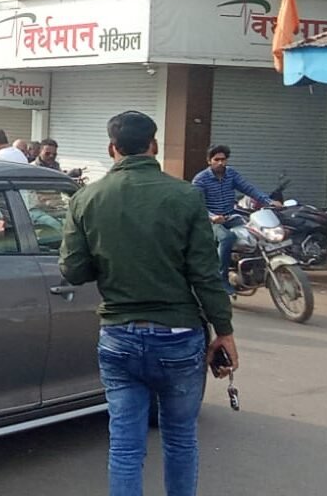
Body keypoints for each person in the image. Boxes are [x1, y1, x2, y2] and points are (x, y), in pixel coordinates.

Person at [60, 111, 236, 496]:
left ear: (112, 148)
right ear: (153, 145)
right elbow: (206, 275)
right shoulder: (187, 196)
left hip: (119, 337)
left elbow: (73, 270)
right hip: (179, 338)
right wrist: (224, 331)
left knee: (125, 446)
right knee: (180, 439)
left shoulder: (86, 198)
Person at [191, 145, 279, 295]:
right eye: (216, 159)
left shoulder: (231, 174)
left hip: (230, 216)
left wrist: (268, 201)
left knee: (256, 232)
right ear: (209, 161)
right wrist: (212, 217)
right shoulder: (201, 179)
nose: (220, 163)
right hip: (210, 221)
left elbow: (248, 188)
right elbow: (197, 204)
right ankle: (222, 279)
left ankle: (255, 269)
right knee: (227, 237)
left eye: (223, 159)